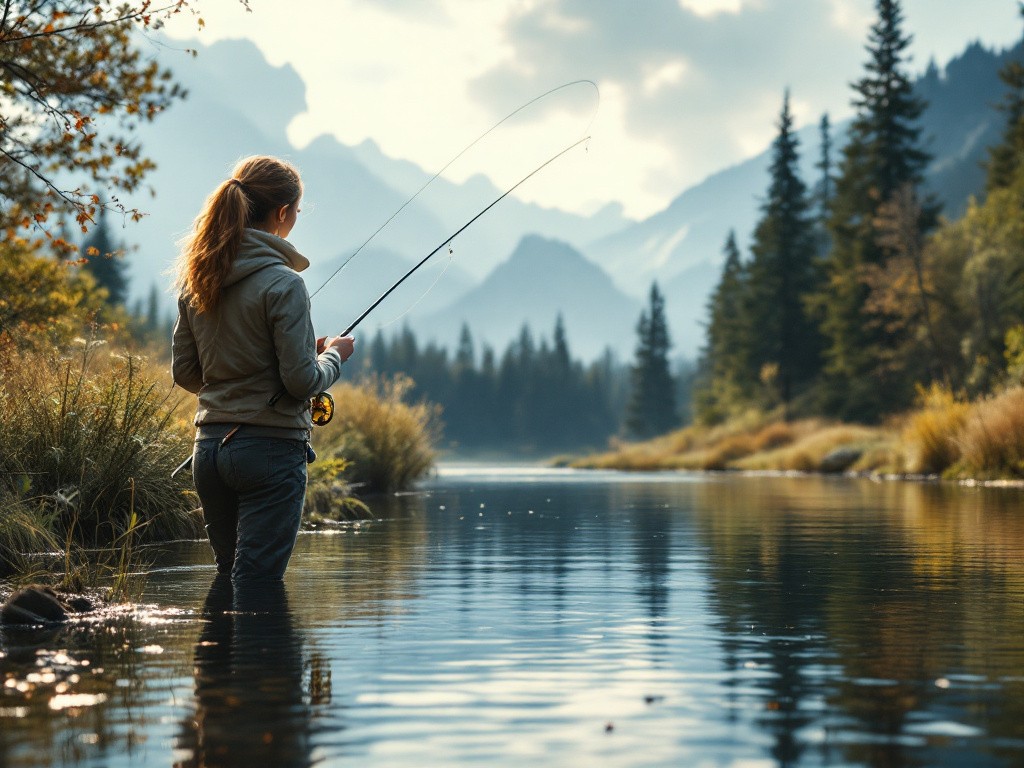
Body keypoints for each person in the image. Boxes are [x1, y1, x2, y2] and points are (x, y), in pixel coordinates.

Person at [172, 155, 354, 581]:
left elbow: (185, 371)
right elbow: (302, 382)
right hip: (270, 450)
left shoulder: (198, 278)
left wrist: (237, 387)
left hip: (210, 450)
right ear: (282, 213)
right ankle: (258, 652)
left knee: (229, 575)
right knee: (257, 586)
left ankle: (221, 649)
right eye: (297, 211)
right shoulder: (285, 283)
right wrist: (333, 357)